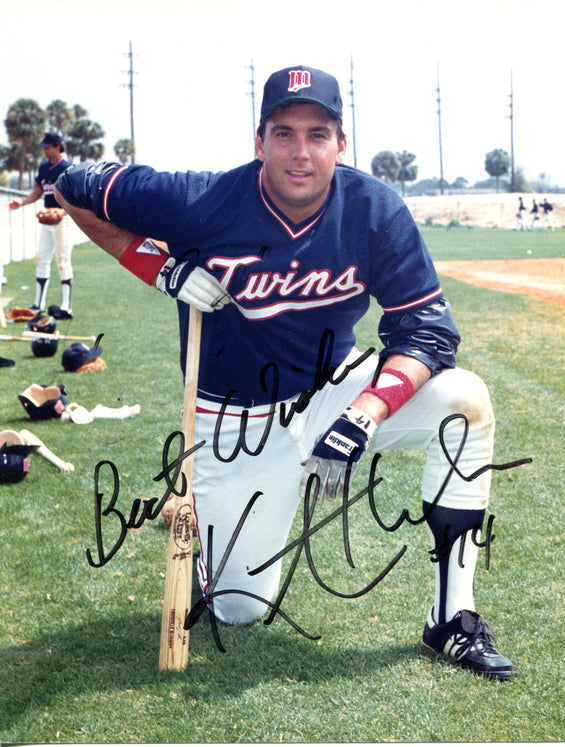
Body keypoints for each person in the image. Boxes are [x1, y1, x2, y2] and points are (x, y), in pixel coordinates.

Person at [55, 65, 518, 680]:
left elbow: (427, 332)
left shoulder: (375, 211)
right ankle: (215, 535)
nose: (301, 152)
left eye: (318, 134)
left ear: (341, 143)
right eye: (285, 133)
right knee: (240, 611)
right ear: (259, 142)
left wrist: (365, 413)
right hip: (235, 419)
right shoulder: (200, 199)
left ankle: (451, 619)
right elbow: (69, 185)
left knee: (465, 399)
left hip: (331, 392)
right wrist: (155, 267)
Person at [8, 132, 74, 318]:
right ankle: (38, 305)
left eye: (47, 146)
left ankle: (66, 307)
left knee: (62, 260)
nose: (44, 150)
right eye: (43, 147)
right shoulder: (44, 167)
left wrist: (63, 211)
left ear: (57, 146)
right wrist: (21, 203)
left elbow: (74, 196)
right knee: (42, 260)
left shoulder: (66, 168)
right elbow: (38, 191)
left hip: (62, 219)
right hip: (47, 217)